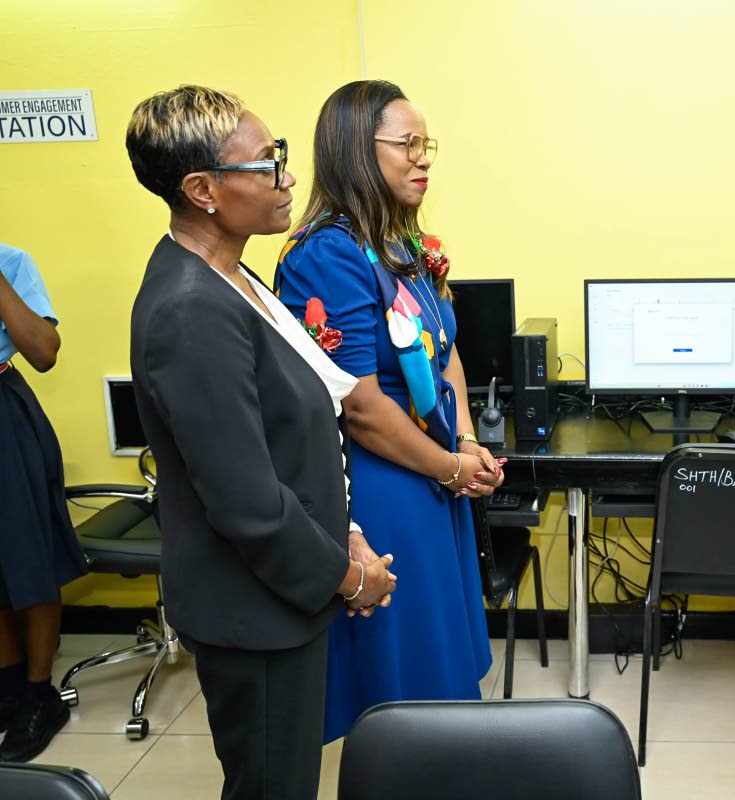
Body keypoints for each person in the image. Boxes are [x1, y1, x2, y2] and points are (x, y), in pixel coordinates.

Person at [126, 85, 395, 800]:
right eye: (267, 162)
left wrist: (349, 532)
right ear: (202, 189)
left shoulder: (233, 276)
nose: (289, 177)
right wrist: (349, 576)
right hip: (254, 611)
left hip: (279, 594)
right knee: (272, 786)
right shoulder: (190, 309)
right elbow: (248, 503)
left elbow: (292, 436)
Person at [276, 79, 496, 743]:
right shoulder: (327, 255)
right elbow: (362, 405)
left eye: (426, 144)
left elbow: (447, 351)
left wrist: (464, 443)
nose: (423, 158)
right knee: (407, 680)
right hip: (385, 484)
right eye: (407, 144)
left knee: (443, 665)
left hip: (432, 472)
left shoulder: (400, 245)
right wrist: (452, 466)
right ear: (356, 150)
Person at [0, 243, 87, 763]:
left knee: (29, 556)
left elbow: (44, 351)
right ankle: (8, 688)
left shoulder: (11, 262)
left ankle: (39, 695)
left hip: (5, 416)